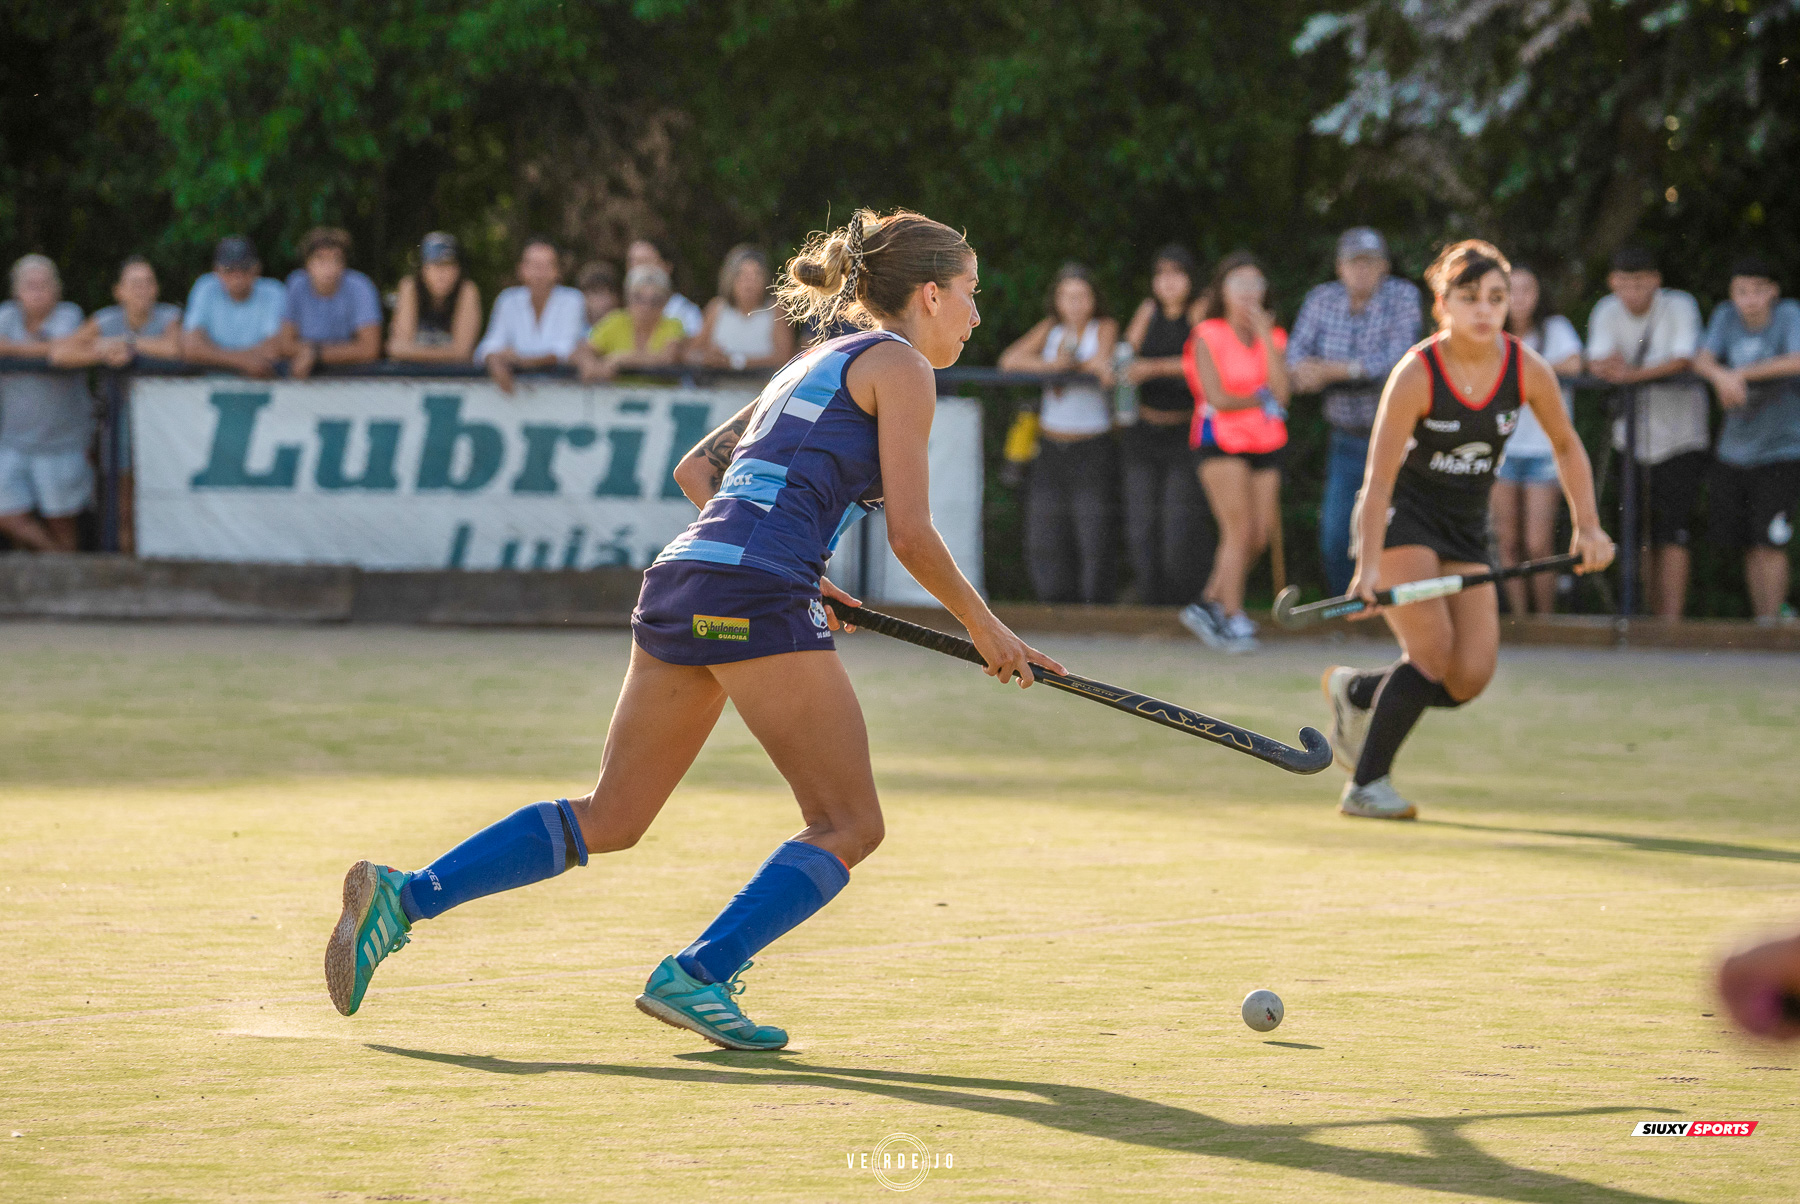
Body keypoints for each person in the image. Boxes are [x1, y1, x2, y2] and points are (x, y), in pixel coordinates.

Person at [324, 208, 1063, 1051]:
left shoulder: (810, 360)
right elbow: (911, 534)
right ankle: (701, 973)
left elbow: (699, 470)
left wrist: (795, 563)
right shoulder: (900, 365)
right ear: (929, 295)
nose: (977, 314)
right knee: (849, 823)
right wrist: (988, 632)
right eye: (971, 295)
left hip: (684, 575)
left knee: (611, 816)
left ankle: (404, 896)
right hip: (754, 588)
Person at [1321, 240, 1613, 820]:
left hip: (1464, 526)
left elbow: (1564, 443)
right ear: (1443, 303)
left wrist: (1589, 528)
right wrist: (1368, 568)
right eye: (1469, 297)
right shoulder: (1417, 372)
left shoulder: (1525, 367)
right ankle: (1366, 786)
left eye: (1496, 298)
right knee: (1430, 654)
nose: (1484, 310)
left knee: (1467, 678)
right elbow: (1377, 479)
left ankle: (1356, 692)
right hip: (1404, 518)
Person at [1287, 228, 1423, 595]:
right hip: (1345, 439)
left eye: (1370, 262)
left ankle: (1394, 615)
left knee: (1397, 533)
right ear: (1339, 267)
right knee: (1335, 535)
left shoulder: (1402, 297)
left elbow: (1397, 362)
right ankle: (1348, 612)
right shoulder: (1321, 300)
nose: (1361, 271)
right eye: (1353, 263)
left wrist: (1334, 370)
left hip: (1397, 440)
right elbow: (1295, 359)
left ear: (1384, 267)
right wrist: (1311, 372)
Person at [1586, 245, 1708, 620]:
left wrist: (1631, 375)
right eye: (1624, 283)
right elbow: (1597, 361)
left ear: (1656, 280)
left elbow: (1683, 358)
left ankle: (1669, 622)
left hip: (1680, 438)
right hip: (1631, 440)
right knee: (1636, 531)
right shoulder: (1605, 309)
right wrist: (1640, 371)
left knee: (1672, 532)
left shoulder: (1679, 305)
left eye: (1641, 282)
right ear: (1612, 282)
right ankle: (1641, 618)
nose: (1633, 292)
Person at [1178, 252, 1289, 653]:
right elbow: (1219, 399)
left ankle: (1208, 603)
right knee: (1238, 530)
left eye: (1255, 284)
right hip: (1218, 441)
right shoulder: (1207, 333)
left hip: (1266, 442)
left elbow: (1283, 391)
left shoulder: (1273, 336)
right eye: (1239, 283)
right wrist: (1263, 399)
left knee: (1258, 534)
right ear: (1223, 290)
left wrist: (1264, 338)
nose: (1248, 293)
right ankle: (1231, 614)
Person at [998, 263, 1119, 603]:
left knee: (1092, 532)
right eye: (1067, 296)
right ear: (1056, 300)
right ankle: (1052, 606)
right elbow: (1010, 360)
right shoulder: (1050, 328)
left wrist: (1071, 365)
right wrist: (1053, 367)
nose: (1075, 304)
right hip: (1050, 445)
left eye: (1081, 296)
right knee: (1045, 532)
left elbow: (1102, 362)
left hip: (1091, 445)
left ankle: (1094, 608)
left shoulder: (1103, 327)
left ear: (1094, 300)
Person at [1693, 254, 1800, 624]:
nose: (1750, 298)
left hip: (1780, 449)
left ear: (1773, 292)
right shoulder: (1724, 316)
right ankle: (1764, 621)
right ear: (1731, 293)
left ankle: (1773, 620)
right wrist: (1723, 378)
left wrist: (1741, 374)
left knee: (1771, 540)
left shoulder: (1789, 315)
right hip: (1734, 451)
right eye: (1742, 291)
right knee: (1748, 543)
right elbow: (1702, 359)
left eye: (1758, 290)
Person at [72, 256, 185, 556]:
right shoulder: (105, 320)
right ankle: (127, 575)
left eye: (148, 282)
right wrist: (103, 350)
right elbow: (63, 351)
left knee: (168, 503)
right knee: (124, 505)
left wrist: (127, 345)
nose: (142, 289)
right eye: (134, 283)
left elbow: (175, 348)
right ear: (118, 291)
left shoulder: (169, 315)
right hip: (120, 423)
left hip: (168, 427)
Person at [1490, 263, 1583, 615]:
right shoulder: (1489, 334)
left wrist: (1524, 374)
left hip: (1544, 451)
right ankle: (1520, 620)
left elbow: (1574, 365)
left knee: (1538, 543)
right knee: (1508, 543)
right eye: (1510, 291)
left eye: (1526, 289)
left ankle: (1545, 619)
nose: (1518, 299)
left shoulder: (1555, 329)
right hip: (1502, 452)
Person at [1119, 245, 1208, 605]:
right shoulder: (1148, 310)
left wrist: (1152, 368)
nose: (1168, 283)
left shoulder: (1200, 312)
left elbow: (1206, 361)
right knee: (1141, 522)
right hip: (1142, 432)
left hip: (1184, 433)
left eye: (1176, 274)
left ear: (1190, 279)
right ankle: (1147, 599)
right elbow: (1126, 356)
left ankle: (1183, 600)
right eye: (1161, 275)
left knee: (1178, 524)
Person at [0, 254, 95, 552]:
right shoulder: (6, 315)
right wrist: (45, 349)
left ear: (57, 289)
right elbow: (54, 350)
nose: (38, 291)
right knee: (7, 513)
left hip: (62, 443)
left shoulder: (70, 315)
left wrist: (12, 350)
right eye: (30, 285)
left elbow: (65, 351)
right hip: (14, 442)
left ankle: (69, 585)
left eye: (45, 284)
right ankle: (54, 560)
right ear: (17, 291)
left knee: (62, 521)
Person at [475, 238, 586, 395]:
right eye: (534, 266)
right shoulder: (507, 300)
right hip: (513, 399)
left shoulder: (573, 300)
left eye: (547, 266)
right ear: (521, 269)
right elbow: (489, 344)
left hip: (562, 392)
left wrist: (521, 360)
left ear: (557, 271)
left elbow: (566, 350)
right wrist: (494, 361)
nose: (540, 273)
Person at [279, 227, 382, 379]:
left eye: (336, 259)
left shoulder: (360, 286)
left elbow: (370, 349)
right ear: (307, 263)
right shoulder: (296, 284)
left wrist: (314, 353)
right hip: (304, 377)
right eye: (320, 259)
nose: (329, 268)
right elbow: (284, 345)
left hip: (352, 378)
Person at [180, 236, 286, 378]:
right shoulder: (205, 287)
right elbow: (191, 347)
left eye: (244, 268)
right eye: (229, 269)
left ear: (257, 268)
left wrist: (213, 355)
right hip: (207, 386)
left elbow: (274, 349)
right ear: (216, 270)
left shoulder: (274, 292)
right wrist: (245, 362)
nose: (237, 276)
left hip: (259, 387)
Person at [689, 245, 795, 372]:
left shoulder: (776, 309)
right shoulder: (717, 308)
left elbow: (784, 358)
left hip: (760, 387)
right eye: (743, 275)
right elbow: (690, 353)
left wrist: (736, 361)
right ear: (731, 278)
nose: (749, 283)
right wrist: (707, 358)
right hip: (718, 387)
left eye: (756, 275)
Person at [575, 264, 688, 382]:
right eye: (639, 298)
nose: (646, 307)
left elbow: (668, 358)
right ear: (628, 298)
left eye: (655, 301)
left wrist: (620, 359)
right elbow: (584, 349)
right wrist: (590, 364)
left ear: (665, 303)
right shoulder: (616, 321)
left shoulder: (673, 325)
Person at [386, 232, 482, 364]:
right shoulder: (410, 287)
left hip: (456, 380)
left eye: (449, 265)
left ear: (459, 269)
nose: (443, 273)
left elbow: (462, 353)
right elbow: (396, 349)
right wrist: (449, 353)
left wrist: (411, 352)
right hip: (411, 379)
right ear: (423, 269)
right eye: (436, 265)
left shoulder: (467, 290)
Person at [626, 238, 705, 337]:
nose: (636, 269)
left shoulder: (686, 313)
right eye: (632, 262)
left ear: (667, 267)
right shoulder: (618, 314)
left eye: (644, 261)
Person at [575, 260, 621, 333]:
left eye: (611, 292)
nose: (607, 299)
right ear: (584, 295)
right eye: (599, 293)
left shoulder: (623, 328)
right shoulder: (574, 330)